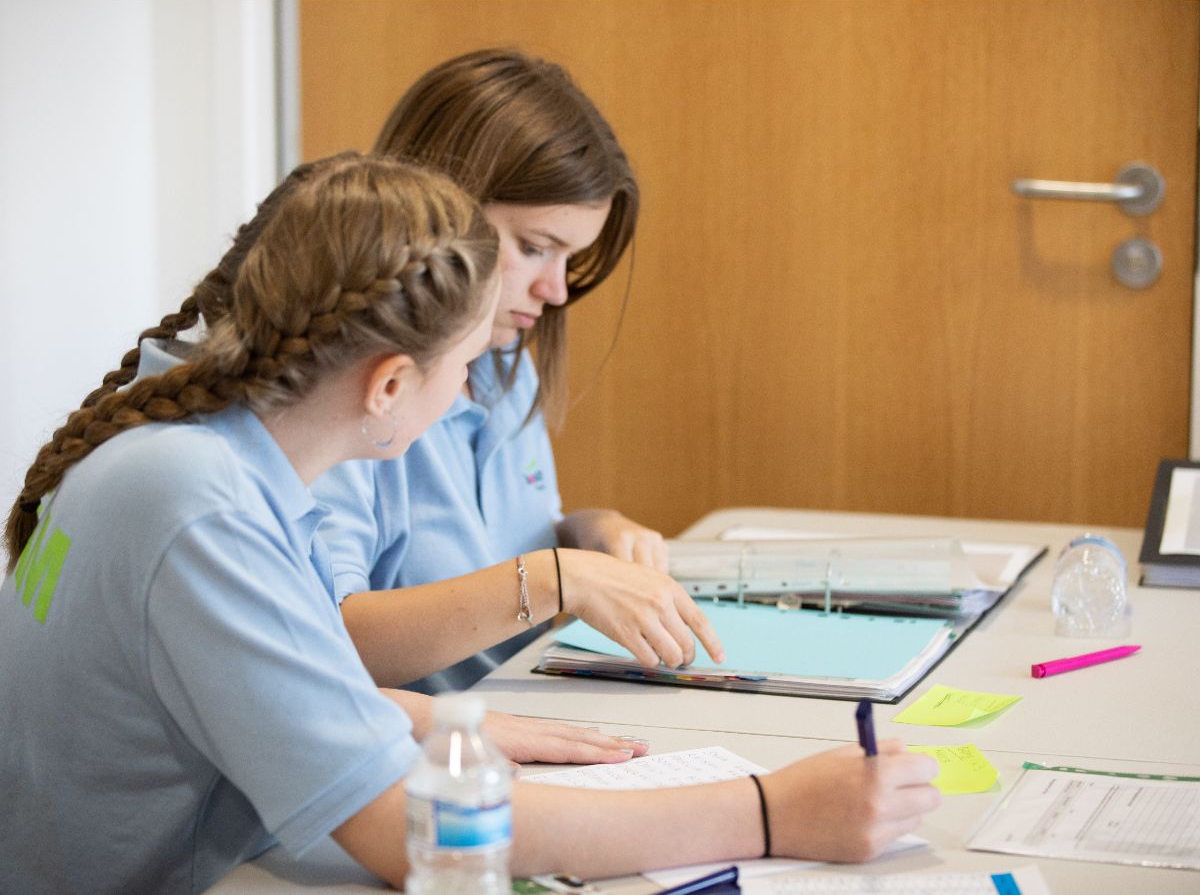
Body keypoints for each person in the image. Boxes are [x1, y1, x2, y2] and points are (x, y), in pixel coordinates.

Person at [1, 153, 940, 893]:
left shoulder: (187, 461)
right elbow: (413, 835)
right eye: (461, 368)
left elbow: (244, 675)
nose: (468, 391)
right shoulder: (203, 506)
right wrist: (773, 812)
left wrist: (436, 719)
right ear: (390, 386)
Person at [313, 48, 681, 692]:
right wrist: (556, 579)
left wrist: (589, 532)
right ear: (436, 208)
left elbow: (498, 545)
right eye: (535, 247)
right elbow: (323, 643)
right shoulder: (341, 389)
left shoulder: (507, 364)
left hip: (519, 708)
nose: (556, 291)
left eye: (569, 260)